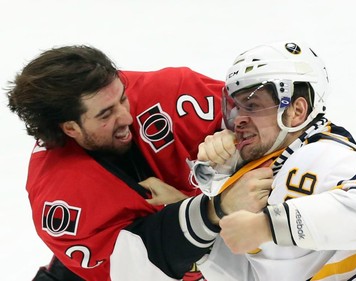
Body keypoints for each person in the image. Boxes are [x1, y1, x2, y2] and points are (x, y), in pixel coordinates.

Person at [7, 45, 266, 281]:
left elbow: (280, 124)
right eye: (106, 114)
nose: (126, 116)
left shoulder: (169, 93)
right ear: (70, 128)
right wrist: (213, 208)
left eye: (121, 98)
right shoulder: (60, 200)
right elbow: (140, 268)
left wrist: (237, 137)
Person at [190, 41, 356, 280]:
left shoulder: (321, 153)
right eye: (236, 108)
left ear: (297, 111)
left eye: (253, 105)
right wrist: (208, 201)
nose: (238, 120)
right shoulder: (273, 168)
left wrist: (268, 225)